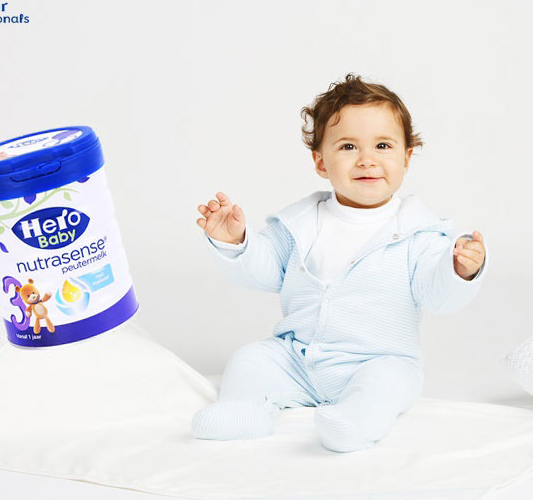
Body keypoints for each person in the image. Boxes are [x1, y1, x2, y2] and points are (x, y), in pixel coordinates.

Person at [192, 74, 487, 452]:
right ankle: (244, 410)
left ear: (406, 157)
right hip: (298, 357)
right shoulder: (298, 223)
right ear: (320, 161)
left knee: (388, 384)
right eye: (348, 146)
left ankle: (355, 422)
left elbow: (437, 294)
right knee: (251, 359)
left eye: (383, 145)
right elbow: (265, 271)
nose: (367, 160)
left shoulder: (420, 234)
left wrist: (459, 271)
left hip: (377, 360)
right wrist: (235, 242)